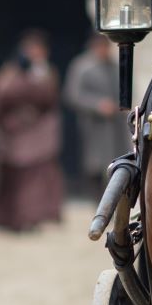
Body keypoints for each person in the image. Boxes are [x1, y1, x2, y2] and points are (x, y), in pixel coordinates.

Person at [0, 29, 65, 232]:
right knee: (12, 179)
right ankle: (11, 219)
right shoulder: (9, 74)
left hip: (37, 134)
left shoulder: (45, 73)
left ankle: (32, 217)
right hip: (12, 135)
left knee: (35, 180)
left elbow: (50, 101)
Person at [62, 34, 127, 194]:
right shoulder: (82, 67)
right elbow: (73, 95)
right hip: (93, 126)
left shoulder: (114, 66)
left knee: (116, 162)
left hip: (116, 126)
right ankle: (95, 197)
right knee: (94, 165)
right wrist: (97, 105)